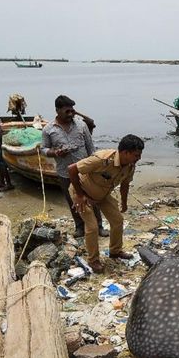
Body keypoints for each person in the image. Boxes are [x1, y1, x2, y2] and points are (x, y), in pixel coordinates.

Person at [68, 134, 144, 274]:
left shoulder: (130, 166)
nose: (138, 158)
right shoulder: (102, 159)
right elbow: (72, 169)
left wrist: (124, 203)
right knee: (92, 227)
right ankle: (93, 260)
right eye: (136, 155)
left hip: (103, 194)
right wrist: (79, 195)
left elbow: (125, 185)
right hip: (82, 193)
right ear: (125, 152)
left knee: (118, 221)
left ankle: (115, 251)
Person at [41, 95, 109, 238]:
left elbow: (91, 147)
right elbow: (44, 149)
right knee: (73, 201)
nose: (71, 114)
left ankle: (99, 226)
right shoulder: (48, 129)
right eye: (67, 111)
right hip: (64, 172)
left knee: (92, 198)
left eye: (72, 111)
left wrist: (96, 166)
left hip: (85, 171)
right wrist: (55, 152)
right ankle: (79, 226)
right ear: (57, 110)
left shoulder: (81, 125)